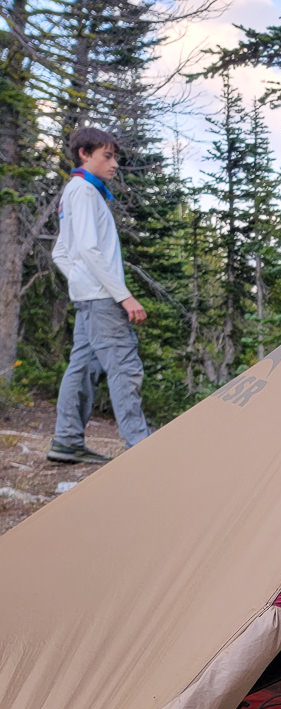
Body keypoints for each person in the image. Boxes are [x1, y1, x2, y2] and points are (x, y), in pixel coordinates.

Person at [47, 127, 150, 464]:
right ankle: (141, 447)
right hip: (104, 299)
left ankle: (66, 441)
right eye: (107, 156)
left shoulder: (74, 191)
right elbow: (89, 249)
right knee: (125, 366)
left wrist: (80, 282)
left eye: (115, 156)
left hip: (90, 297)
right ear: (84, 154)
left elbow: (62, 252)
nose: (115, 163)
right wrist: (124, 296)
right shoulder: (86, 193)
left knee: (82, 367)